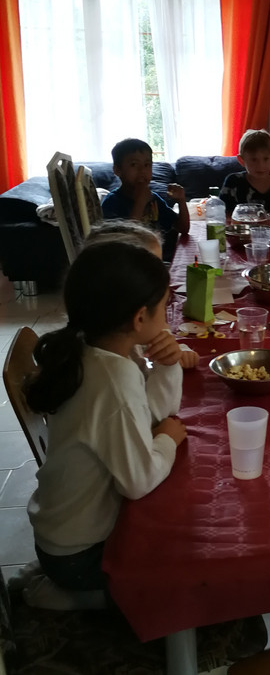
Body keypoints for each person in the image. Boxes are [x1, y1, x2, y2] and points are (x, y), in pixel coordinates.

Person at [22, 241, 187, 609]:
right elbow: (138, 482)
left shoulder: (93, 347)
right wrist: (167, 441)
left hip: (61, 538)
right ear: (139, 318)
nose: (168, 315)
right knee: (179, 581)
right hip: (79, 556)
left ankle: (57, 579)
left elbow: (151, 417)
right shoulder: (113, 379)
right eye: (165, 306)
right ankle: (70, 596)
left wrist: (168, 365)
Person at [85, 219, 199, 369]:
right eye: (152, 271)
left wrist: (174, 351)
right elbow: (147, 384)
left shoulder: (117, 325)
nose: (162, 280)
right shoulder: (115, 361)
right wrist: (169, 367)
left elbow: (156, 345)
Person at [102, 137, 189, 237]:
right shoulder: (111, 202)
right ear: (117, 170)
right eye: (134, 164)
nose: (142, 170)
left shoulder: (153, 199)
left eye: (147, 165)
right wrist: (140, 203)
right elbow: (125, 240)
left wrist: (181, 201)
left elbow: (183, 228)